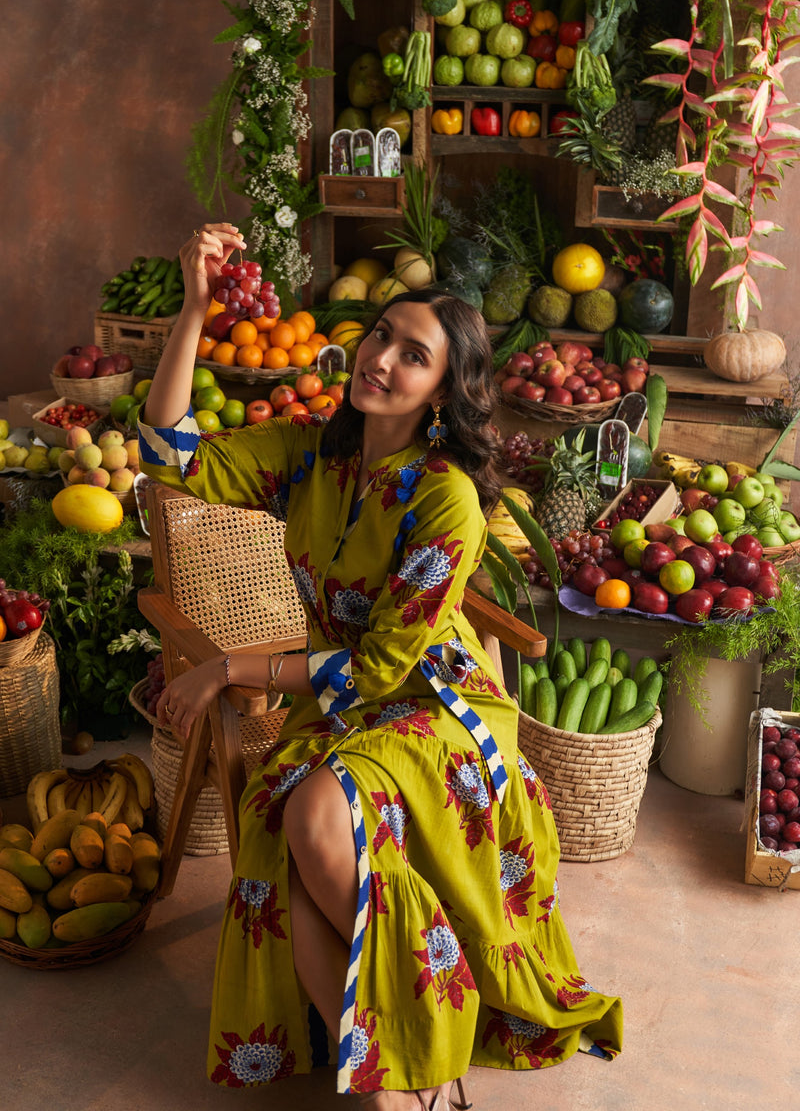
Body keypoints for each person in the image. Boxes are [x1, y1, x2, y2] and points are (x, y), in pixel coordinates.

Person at [139, 224, 623, 1111]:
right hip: (342, 709)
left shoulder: (444, 496)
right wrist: (196, 310)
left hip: (432, 706)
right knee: (295, 839)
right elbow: (169, 455)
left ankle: (408, 1059)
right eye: (380, 337)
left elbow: (382, 666)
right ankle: (392, 1089)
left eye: (414, 355)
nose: (382, 361)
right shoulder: (310, 455)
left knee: (314, 817)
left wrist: (225, 669)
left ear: (445, 389)